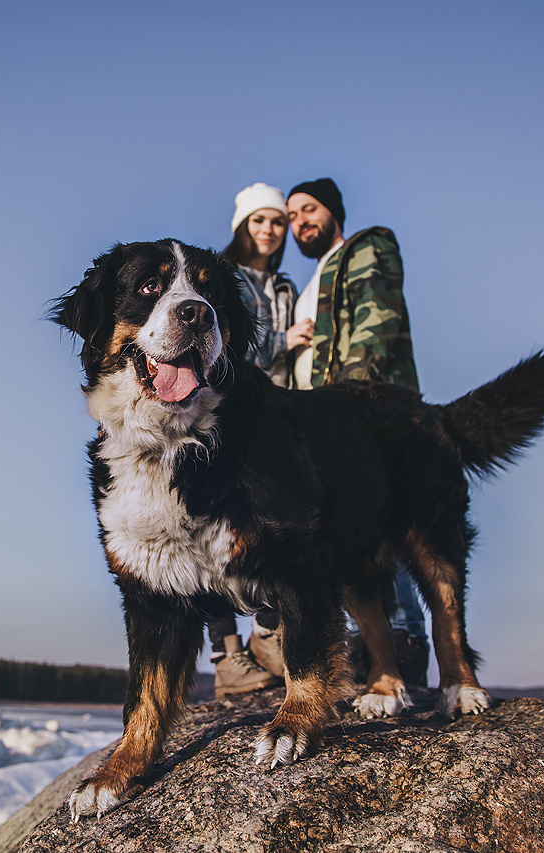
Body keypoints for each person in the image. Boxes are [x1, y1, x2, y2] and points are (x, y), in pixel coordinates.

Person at [285, 177, 430, 686]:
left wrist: (354, 410)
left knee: (390, 525)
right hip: (324, 427)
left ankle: (407, 645)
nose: (300, 220)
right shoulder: (309, 285)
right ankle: (368, 651)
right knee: (346, 535)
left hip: (365, 418)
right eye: (293, 215)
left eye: (309, 209)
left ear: (333, 213)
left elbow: (376, 323)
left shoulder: (367, 247)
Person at [207, 182, 312, 698]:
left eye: (276, 222)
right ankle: (227, 657)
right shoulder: (224, 278)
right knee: (208, 531)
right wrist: (282, 341)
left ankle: (268, 634)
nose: (269, 230)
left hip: (274, 416)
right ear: (242, 227)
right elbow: (225, 340)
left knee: (273, 526)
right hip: (228, 413)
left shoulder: (287, 287)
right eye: (259, 221)